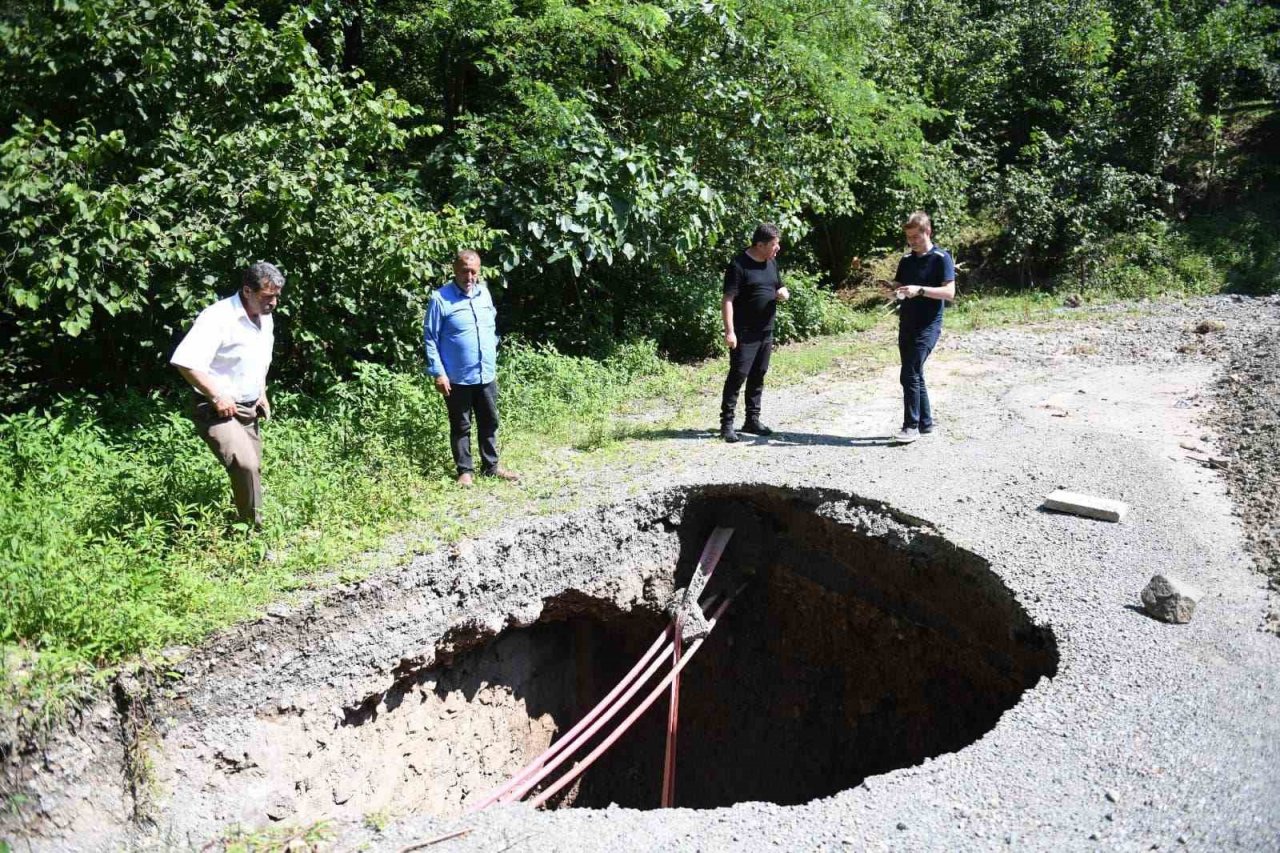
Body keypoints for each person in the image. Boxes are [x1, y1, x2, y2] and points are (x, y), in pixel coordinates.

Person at [171, 261, 284, 527]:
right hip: (216, 408)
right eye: (268, 296)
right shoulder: (218, 318)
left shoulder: (265, 318)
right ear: (247, 290)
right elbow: (185, 361)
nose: (274, 303)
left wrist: (262, 392)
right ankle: (255, 535)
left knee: (253, 468)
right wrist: (217, 395)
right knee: (245, 465)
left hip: (248, 407)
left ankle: (245, 525)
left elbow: (259, 359)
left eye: (277, 296)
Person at [424, 250, 519, 487]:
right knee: (461, 425)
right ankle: (465, 471)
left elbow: (491, 326)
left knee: (489, 421)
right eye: (465, 271)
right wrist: (439, 372)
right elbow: (431, 338)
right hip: (457, 377)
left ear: (479, 271)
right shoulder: (440, 299)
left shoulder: (484, 294)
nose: (469, 276)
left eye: (474, 271)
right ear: (455, 270)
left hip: (485, 373)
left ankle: (491, 466)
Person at [883, 211, 956, 444]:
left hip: (928, 325)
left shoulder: (941, 258)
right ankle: (925, 423)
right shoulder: (906, 260)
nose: (912, 242)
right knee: (914, 372)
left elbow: (950, 293)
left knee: (909, 373)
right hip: (907, 323)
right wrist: (892, 288)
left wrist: (921, 290)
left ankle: (910, 426)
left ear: (928, 231)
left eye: (916, 236)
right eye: (909, 237)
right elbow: (900, 285)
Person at [719, 223, 790, 443]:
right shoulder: (738, 265)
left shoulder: (771, 262)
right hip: (744, 332)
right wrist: (730, 332)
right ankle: (726, 425)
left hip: (766, 330)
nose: (777, 248)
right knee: (738, 375)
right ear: (760, 245)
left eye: (777, 244)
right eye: (774, 244)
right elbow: (727, 300)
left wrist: (783, 292)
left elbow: (779, 286)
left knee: (759, 374)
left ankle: (752, 420)